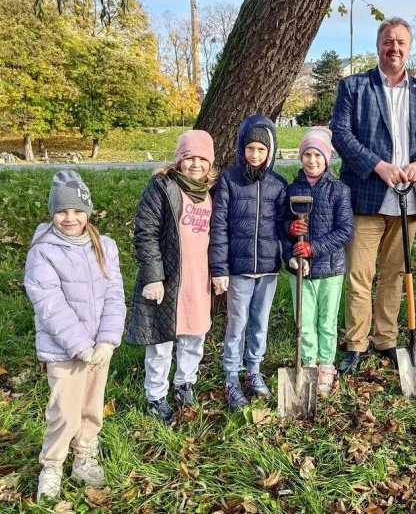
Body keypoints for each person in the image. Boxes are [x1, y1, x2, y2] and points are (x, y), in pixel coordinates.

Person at [331, 17, 416, 374]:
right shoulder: (354, 87)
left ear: (409, 48)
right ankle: (356, 343)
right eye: (387, 41)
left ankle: (386, 340)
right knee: (359, 274)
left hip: (408, 200)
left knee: (394, 274)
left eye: (400, 42)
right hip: (366, 195)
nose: (393, 48)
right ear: (378, 46)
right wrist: (377, 165)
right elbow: (341, 134)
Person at [24, 171, 125, 502]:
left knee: (92, 407)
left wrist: (107, 340)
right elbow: (49, 302)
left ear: (88, 211)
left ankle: (84, 454)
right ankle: (52, 464)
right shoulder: (43, 251)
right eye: (62, 211)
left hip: (99, 348)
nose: (70, 218)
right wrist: (80, 346)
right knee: (65, 412)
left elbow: (114, 294)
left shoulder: (105, 246)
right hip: (65, 351)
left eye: (77, 210)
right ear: (52, 212)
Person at [126, 130, 217, 425]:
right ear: (179, 160)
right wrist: (154, 277)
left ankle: (184, 383)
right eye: (190, 157)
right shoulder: (162, 188)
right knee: (162, 342)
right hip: (168, 281)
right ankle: (156, 396)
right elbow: (146, 233)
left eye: (202, 158)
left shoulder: (208, 192)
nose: (196, 164)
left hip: (198, 279)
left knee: (194, 336)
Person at [210, 115, 288, 410]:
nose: (255, 155)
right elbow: (219, 226)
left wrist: (292, 253)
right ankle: (231, 377)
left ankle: (253, 371)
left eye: (261, 150)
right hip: (239, 270)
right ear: (242, 148)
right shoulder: (229, 181)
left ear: (270, 152)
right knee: (237, 324)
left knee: (260, 324)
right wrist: (220, 268)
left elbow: (283, 226)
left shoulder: (278, 185)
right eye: (250, 148)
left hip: (268, 269)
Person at [281, 127, 354, 395]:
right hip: (299, 269)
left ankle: (327, 364)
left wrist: (313, 248)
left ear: (327, 157)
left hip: (330, 269)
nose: (312, 160)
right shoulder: (291, 190)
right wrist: (291, 236)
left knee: (326, 320)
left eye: (317, 155)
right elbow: (280, 226)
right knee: (304, 318)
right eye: (307, 155)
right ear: (301, 157)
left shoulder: (339, 190)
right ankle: (308, 363)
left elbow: (345, 231)